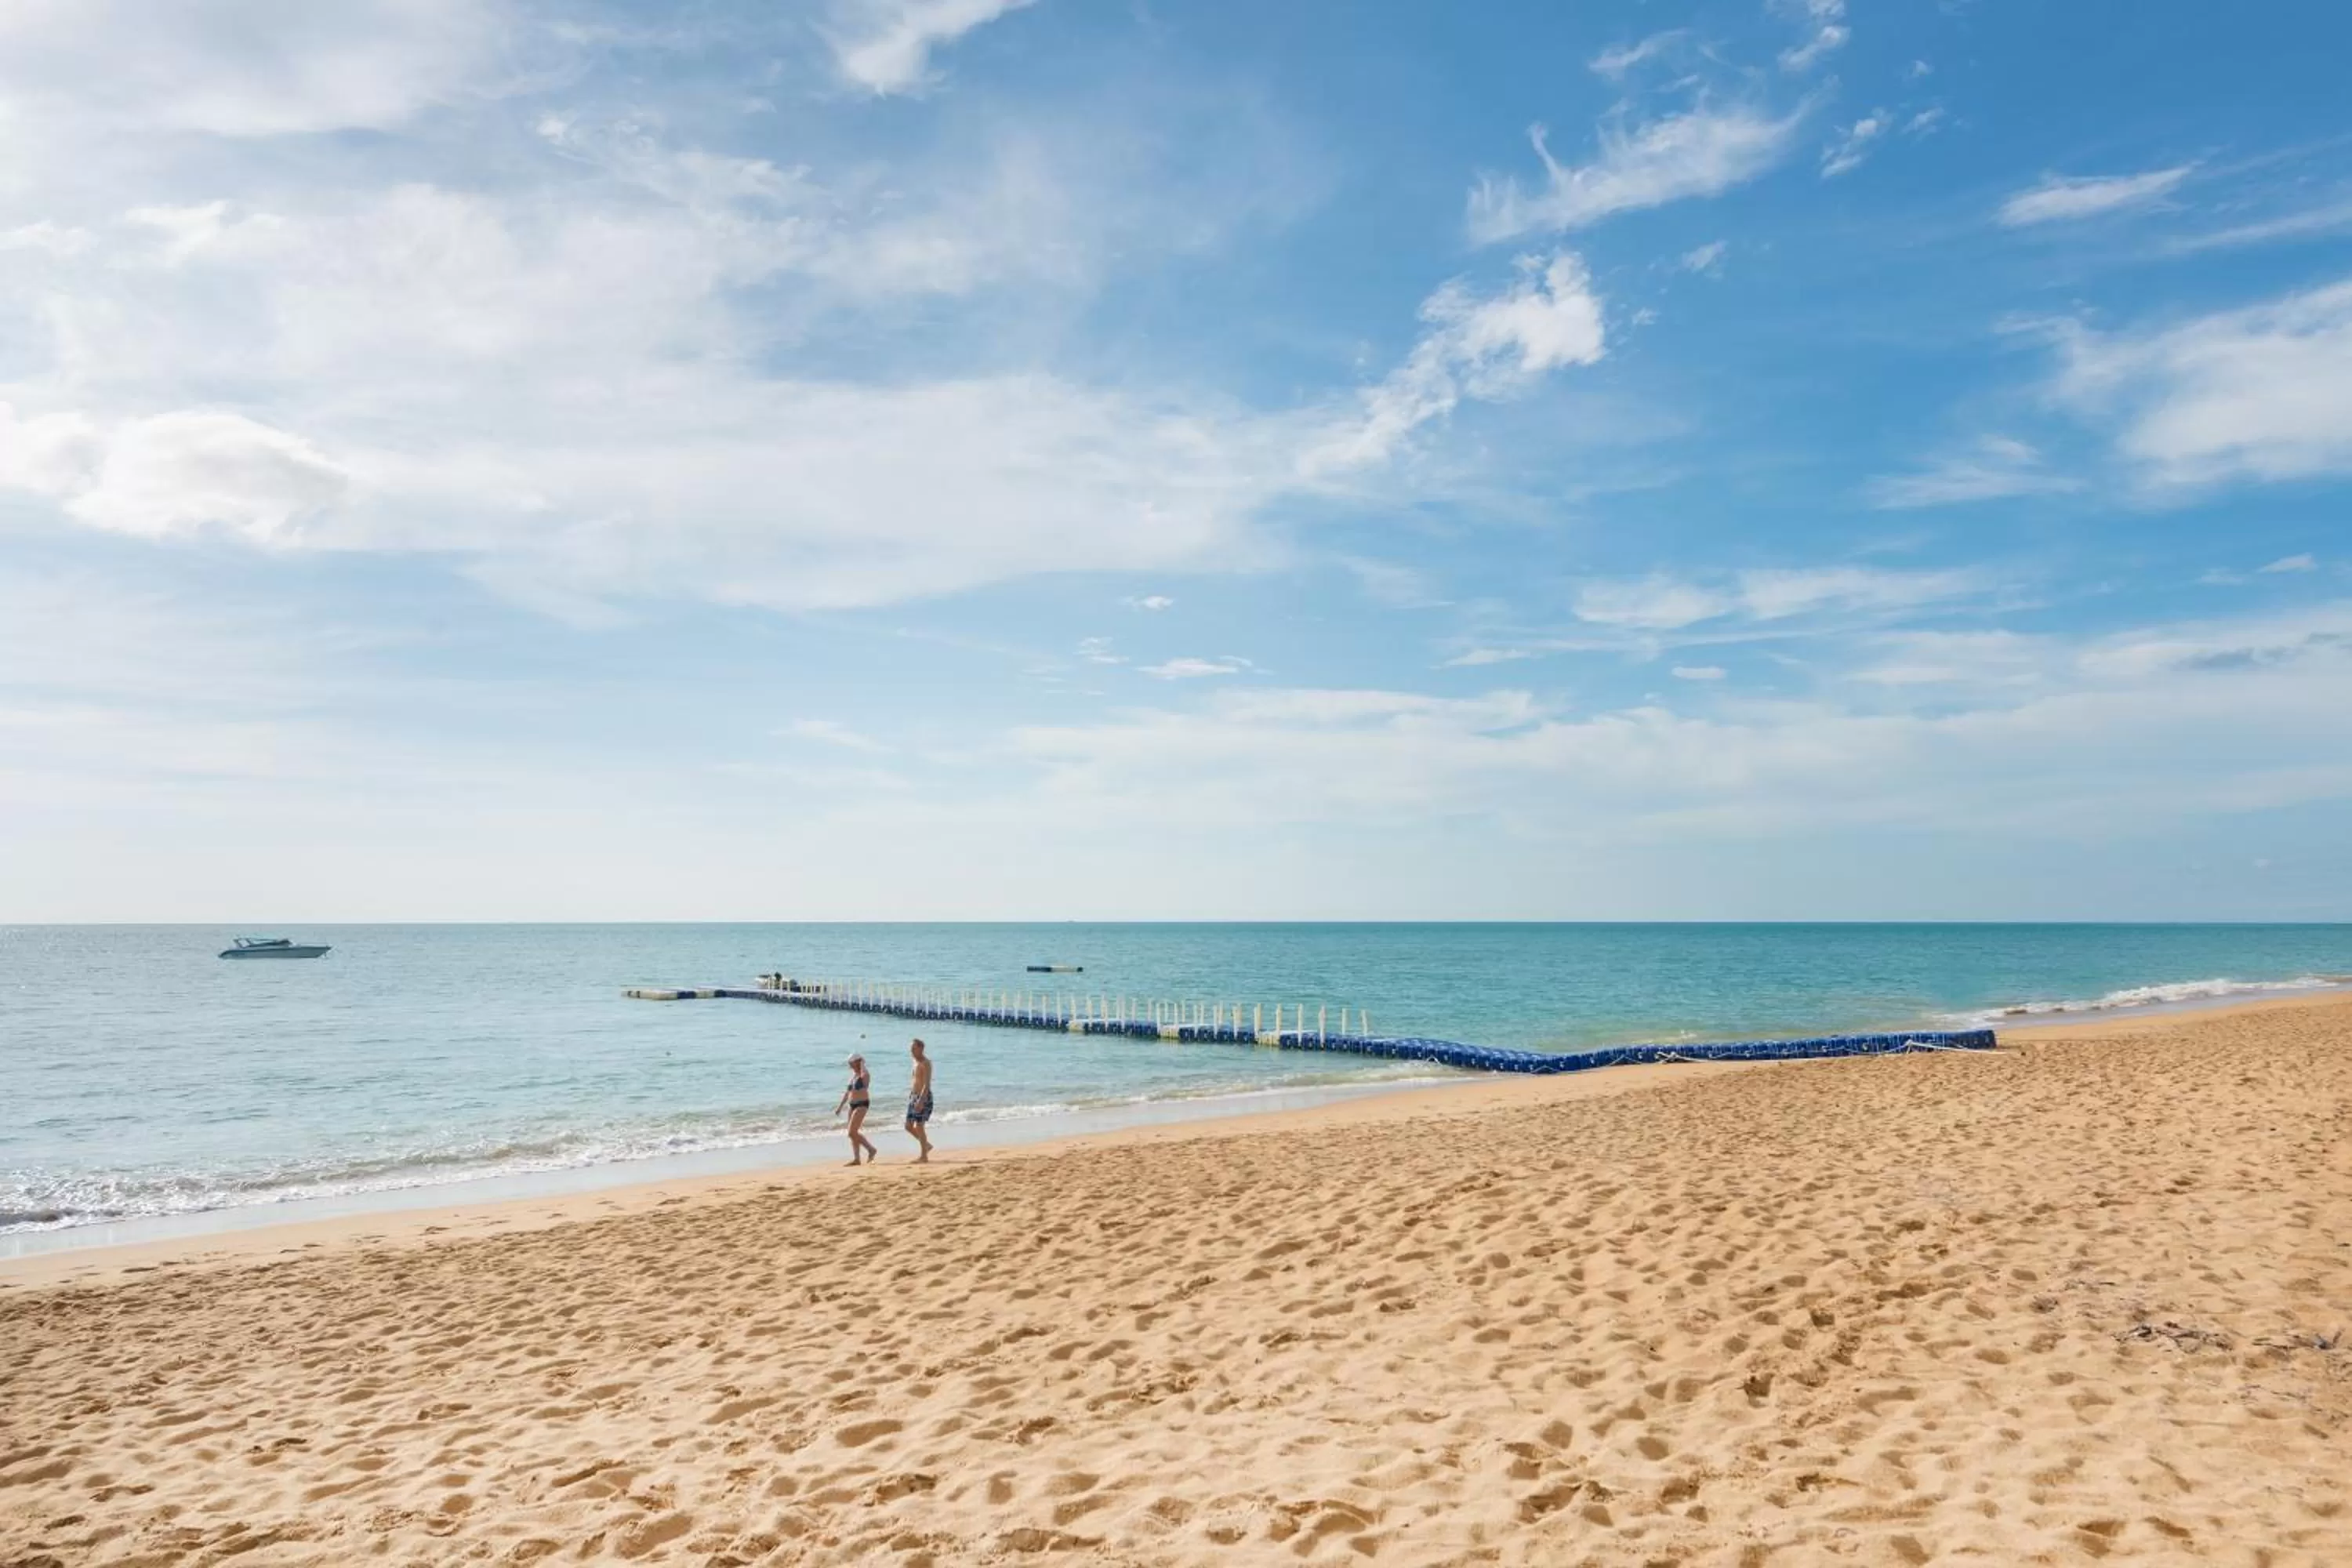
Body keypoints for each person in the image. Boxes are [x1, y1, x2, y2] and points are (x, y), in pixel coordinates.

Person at [835, 1055, 878, 1165]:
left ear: (857, 1063)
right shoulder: (853, 1076)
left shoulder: (865, 1075)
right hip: (852, 1105)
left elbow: (865, 1078)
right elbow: (847, 1093)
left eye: (852, 1063)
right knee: (852, 1134)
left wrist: (863, 1063)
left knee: (852, 1132)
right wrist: (840, 1107)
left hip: (862, 1104)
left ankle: (871, 1149)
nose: (850, 1066)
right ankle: (857, 1159)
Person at [904, 1038, 935, 1163]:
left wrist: (921, 1101)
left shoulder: (926, 1063)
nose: (911, 1051)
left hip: (924, 1097)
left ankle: (924, 1156)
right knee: (908, 1126)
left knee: (920, 1126)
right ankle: (926, 1145)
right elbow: (915, 1080)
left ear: (921, 1048)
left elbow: (926, 1084)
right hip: (914, 1097)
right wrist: (912, 1095)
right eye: (911, 1048)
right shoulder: (915, 1061)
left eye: (914, 1048)